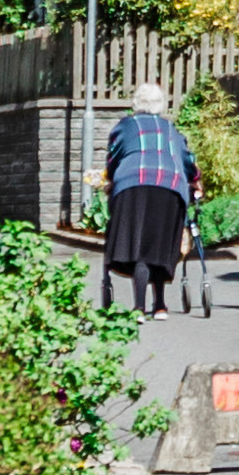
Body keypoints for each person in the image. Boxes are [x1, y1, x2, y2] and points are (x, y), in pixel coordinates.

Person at [97, 85, 195, 314]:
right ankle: (159, 306)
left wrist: (110, 179)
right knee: (159, 244)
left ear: (136, 103)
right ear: (161, 104)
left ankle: (139, 308)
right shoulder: (170, 128)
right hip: (169, 186)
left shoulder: (126, 126)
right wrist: (195, 179)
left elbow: (114, 158)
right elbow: (187, 159)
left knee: (139, 245)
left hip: (132, 185)